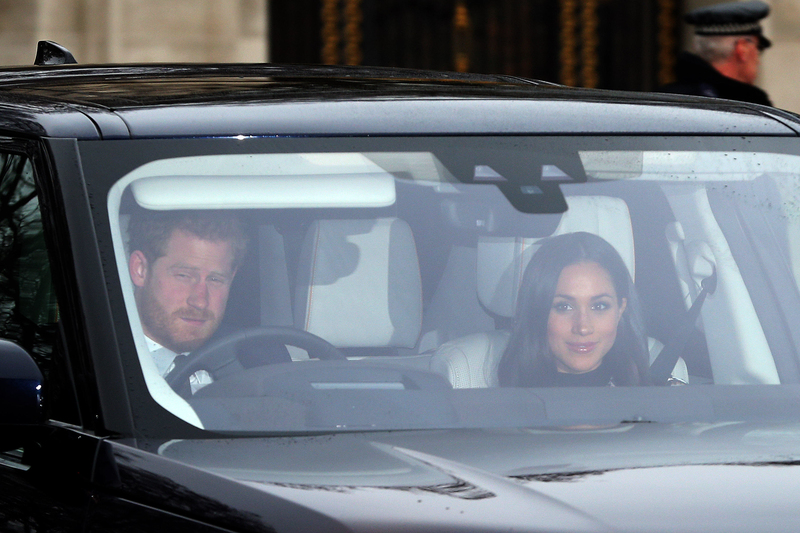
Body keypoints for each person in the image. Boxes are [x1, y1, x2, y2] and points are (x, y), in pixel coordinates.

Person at [497, 232, 650, 387]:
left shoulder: (658, 392)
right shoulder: (495, 398)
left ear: (620, 309)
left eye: (599, 306)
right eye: (564, 307)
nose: (583, 327)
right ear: (537, 310)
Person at [127, 210, 249, 393]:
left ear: (232, 278)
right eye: (184, 276)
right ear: (140, 269)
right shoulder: (93, 364)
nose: (200, 301)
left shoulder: (255, 358)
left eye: (215, 280)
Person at [659, 0, 772, 106]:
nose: (758, 60)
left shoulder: (661, 100)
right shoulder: (749, 106)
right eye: (758, 48)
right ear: (742, 49)